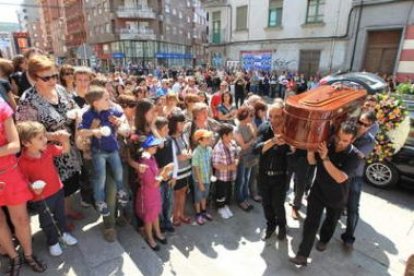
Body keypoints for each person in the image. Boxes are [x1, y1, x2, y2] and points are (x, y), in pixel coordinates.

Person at [15, 55, 83, 226]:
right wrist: (52, 136)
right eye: (47, 78)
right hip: (48, 151)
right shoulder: (28, 100)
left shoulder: (59, 89)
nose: (53, 80)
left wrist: (76, 114)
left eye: (55, 75)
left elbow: (73, 106)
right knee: (56, 187)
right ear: (33, 77)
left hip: (68, 144)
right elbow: (25, 131)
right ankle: (60, 218)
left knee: (70, 181)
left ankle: (66, 210)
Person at [290, 121, 360, 266]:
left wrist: (326, 158)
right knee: (310, 223)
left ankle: (324, 240)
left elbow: (340, 177)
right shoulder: (327, 145)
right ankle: (302, 255)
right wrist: (310, 150)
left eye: (345, 140)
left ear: (352, 140)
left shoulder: (355, 156)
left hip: (337, 196)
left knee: (331, 221)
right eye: (339, 138)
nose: (340, 142)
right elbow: (312, 162)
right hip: (318, 191)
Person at [17, 121, 78, 257]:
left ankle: (64, 233)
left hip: (58, 189)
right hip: (41, 197)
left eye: (44, 136)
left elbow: (65, 150)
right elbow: (23, 180)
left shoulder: (48, 149)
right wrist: (32, 187)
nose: (45, 139)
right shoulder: (22, 161)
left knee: (61, 215)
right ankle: (53, 242)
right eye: (40, 138)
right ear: (26, 143)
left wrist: (65, 141)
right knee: (47, 220)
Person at [0, 98, 47, 275]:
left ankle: (28, 255)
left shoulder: (0, 106)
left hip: (8, 172)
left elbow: (14, 145)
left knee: (21, 220)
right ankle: (14, 257)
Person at [78, 86, 128, 216]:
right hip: (98, 152)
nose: (109, 100)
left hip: (113, 149)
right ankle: (100, 201)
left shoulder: (110, 111)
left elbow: (123, 116)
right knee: (100, 177)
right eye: (106, 99)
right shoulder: (88, 115)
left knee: (119, 172)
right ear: (96, 103)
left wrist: (119, 121)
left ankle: (121, 191)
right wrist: (95, 131)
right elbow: (81, 131)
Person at [253, 102, 290, 241]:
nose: (274, 120)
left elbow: (294, 156)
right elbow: (256, 149)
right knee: (266, 204)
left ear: (284, 115)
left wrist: (289, 146)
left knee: (278, 205)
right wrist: (273, 141)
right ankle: (270, 226)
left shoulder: (290, 132)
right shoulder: (264, 127)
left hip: (280, 176)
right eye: (271, 116)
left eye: (277, 116)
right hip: (263, 175)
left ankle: (282, 227)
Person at [341, 111, 376, 249]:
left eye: (365, 124)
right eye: (359, 122)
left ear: (371, 126)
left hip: (355, 176)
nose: (361, 126)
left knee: (353, 208)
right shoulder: (349, 130)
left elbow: (359, 155)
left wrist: (346, 142)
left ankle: (349, 237)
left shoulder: (370, 141)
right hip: (340, 171)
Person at [136, 135, 173, 251]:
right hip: (148, 194)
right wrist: (165, 172)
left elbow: (156, 175)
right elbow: (152, 183)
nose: (156, 147)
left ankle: (157, 233)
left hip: (155, 193)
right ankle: (150, 238)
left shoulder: (151, 158)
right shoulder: (144, 162)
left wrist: (165, 171)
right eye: (154, 146)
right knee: (148, 218)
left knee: (155, 214)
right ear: (148, 148)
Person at [169, 110, 193, 226]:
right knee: (176, 194)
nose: (183, 125)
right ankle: (174, 217)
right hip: (176, 172)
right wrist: (183, 157)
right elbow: (172, 157)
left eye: (184, 123)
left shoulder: (184, 134)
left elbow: (188, 148)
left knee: (183, 192)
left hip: (186, 169)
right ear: (174, 124)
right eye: (181, 123)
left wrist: (189, 154)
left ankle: (181, 214)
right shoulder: (170, 138)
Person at [153, 117, 177, 232]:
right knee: (160, 201)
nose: (168, 130)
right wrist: (162, 173)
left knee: (169, 201)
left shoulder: (170, 140)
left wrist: (173, 175)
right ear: (157, 130)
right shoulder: (155, 143)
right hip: (159, 177)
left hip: (169, 176)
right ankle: (161, 223)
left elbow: (173, 158)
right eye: (165, 128)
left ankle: (168, 221)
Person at [212, 124, 239, 219]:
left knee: (228, 192)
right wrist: (229, 167)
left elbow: (236, 155)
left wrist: (236, 162)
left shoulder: (233, 143)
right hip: (221, 177)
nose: (233, 136)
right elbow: (215, 164)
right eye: (231, 134)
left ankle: (225, 205)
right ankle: (220, 208)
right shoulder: (218, 148)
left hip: (230, 176)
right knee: (221, 193)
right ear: (224, 136)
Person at [234, 106, 256, 211]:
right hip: (242, 157)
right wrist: (252, 141)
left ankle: (244, 197)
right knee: (241, 179)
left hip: (250, 156)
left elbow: (255, 135)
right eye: (250, 115)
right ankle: (240, 199)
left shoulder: (248, 125)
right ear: (244, 116)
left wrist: (252, 126)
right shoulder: (237, 129)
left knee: (246, 178)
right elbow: (243, 146)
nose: (252, 117)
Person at [192, 129, 214, 225]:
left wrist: (211, 175)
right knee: (198, 197)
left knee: (205, 195)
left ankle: (204, 211)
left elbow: (209, 163)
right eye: (207, 138)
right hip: (199, 180)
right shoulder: (196, 152)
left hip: (207, 178)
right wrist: (200, 183)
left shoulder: (209, 149)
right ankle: (198, 214)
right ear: (200, 140)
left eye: (209, 138)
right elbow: (196, 168)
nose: (209, 140)